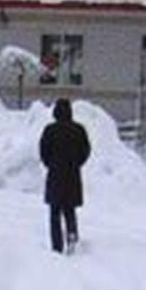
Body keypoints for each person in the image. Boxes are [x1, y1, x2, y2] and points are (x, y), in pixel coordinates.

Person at [39, 98, 91, 254]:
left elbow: (43, 152)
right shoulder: (79, 130)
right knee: (69, 210)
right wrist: (76, 163)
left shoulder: (50, 130)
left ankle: (57, 245)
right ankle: (72, 235)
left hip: (55, 176)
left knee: (54, 212)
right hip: (72, 176)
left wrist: (51, 164)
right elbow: (86, 151)